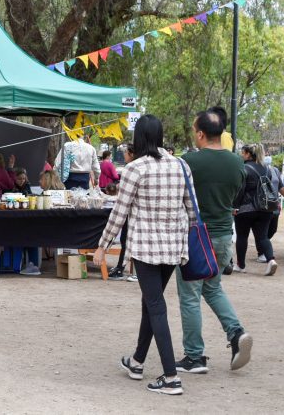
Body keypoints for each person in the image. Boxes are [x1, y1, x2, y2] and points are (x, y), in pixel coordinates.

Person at [93, 114, 193, 395]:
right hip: (174, 248)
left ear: (138, 138)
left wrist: (102, 245)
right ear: (160, 136)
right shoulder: (181, 165)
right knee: (151, 303)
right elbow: (191, 209)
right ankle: (137, 361)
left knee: (155, 305)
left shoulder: (135, 168)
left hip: (146, 248)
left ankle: (171, 377)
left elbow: (119, 213)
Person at [176, 110, 252, 375]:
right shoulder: (237, 163)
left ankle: (194, 356)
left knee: (190, 296)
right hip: (222, 236)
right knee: (213, 288)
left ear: (200, 133)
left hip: (195, 237)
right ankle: (236, 333)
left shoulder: (188, 162)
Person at [233, 144, 278, 276]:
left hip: (246, 209)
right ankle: (271, 260)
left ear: (248, 154)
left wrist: (235, 206)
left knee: (242, 236)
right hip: (265, 208)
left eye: (243, 152)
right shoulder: (267, 169)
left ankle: (241, 265)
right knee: (263, 237)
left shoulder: (244, 169)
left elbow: (240, 190)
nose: (241, 155)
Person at [108, 144, 136, 282]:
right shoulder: (130, 168)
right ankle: (120, 266)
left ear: (131, 154)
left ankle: (123, 268)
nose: (123, 154)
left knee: (128, 240)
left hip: (131, 212)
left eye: (125, 152)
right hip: (130, 212)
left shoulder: (131, 169)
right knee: (125, 239)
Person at [256, 156, 284, 262]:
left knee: (273, 229)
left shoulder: (275, 170)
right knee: (262, 231)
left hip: (274, 205)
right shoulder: (257, 170)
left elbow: (280, 186)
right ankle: (261, 252)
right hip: (262, 206)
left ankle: (263, 246)